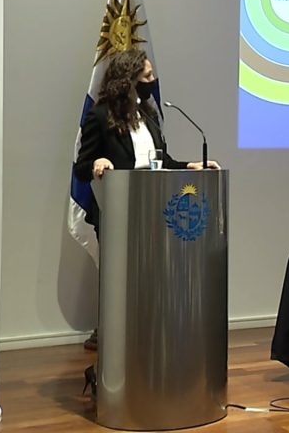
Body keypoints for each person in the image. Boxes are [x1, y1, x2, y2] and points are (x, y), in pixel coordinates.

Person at [73, 49, 220, 355]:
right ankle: (116, 346)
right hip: (118, 213)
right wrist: (97, 162)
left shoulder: (149, 115)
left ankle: (150, 341)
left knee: (151, 283)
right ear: (128, 81)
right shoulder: (100, 116)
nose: (152, 82)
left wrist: (190, 166)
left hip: (153, 213)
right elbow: (81, 166)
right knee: (121, 285)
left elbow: (159, 161)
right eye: (147, 76)